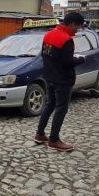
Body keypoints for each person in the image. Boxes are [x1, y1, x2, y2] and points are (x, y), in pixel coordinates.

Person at [33, 12, 86, 152]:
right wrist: (80, 59)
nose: (77, 30)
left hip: (49, 76)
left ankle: (39, 134)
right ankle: (54, 140)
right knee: (61, 108)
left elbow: (45, 55)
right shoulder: (66, 40)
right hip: (63, 79)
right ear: (72, 24)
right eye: (78, 27)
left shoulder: (49, 35)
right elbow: (67, 62)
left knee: (49, 105)